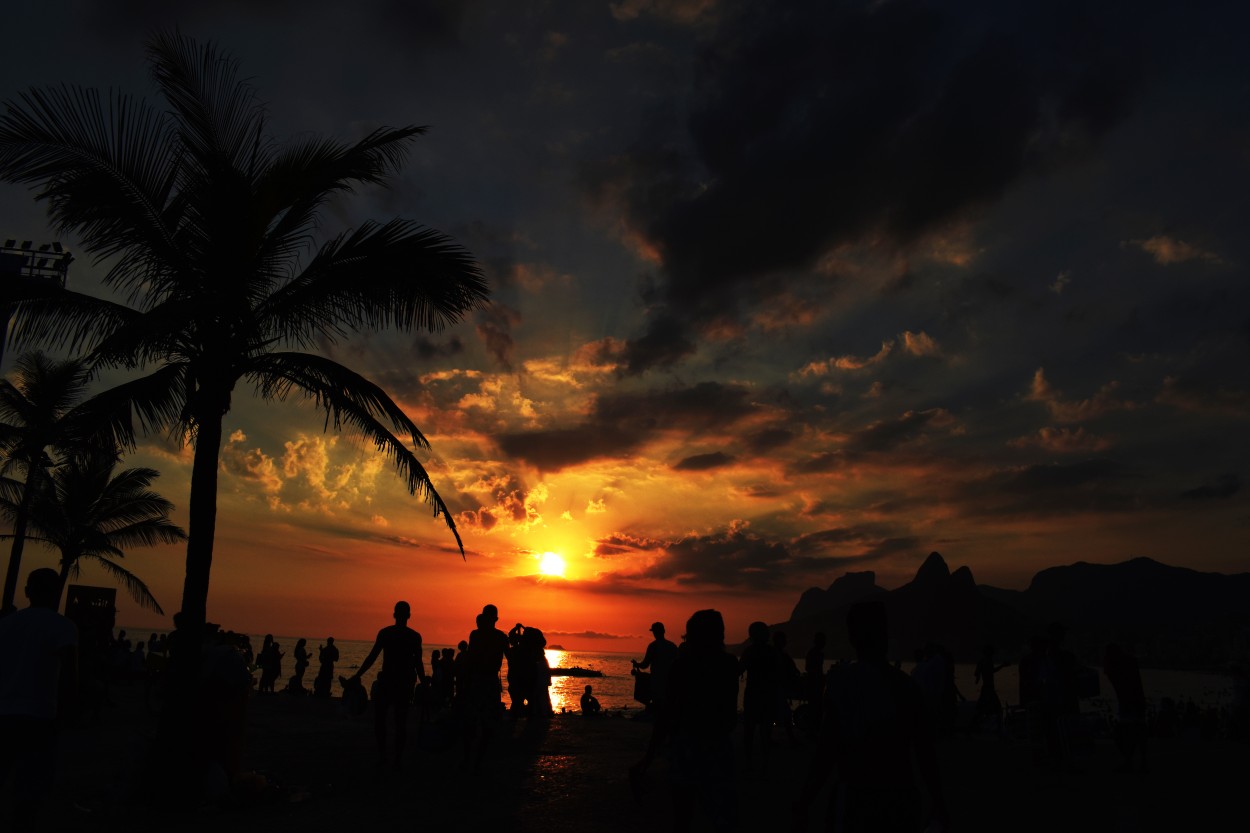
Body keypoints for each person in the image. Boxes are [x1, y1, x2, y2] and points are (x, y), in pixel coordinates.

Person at [792, 600, 947, 832]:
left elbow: (826, 751)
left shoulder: (841, 684)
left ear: (852, 638)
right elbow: (925, 752)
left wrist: (804, 801)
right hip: (899, 798)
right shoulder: (907, 687)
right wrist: (939, 802)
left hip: (856, 798)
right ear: (885, 634)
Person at [632, 609, 739, 832]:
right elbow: (729, 713)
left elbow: (669, 712)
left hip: (687, 743)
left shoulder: (683, 666)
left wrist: (654, 750)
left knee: (683, 811)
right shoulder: (728, 664)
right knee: (720, 813)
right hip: (719, 744)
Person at [0, 568, 79, 832]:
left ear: (27, 592)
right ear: (56, 592)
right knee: (31, 786)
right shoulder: (63, 626)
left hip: (4, 712)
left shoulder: (7, 624)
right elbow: (69, 672)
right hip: (40, 716)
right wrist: (67, 713)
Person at [352, 601, 426, 770]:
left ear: (394, 614)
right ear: (409, 615)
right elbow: (418, 664)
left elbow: (372, 657)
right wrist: (424, 683)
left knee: (382, 721)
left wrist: (358, 675)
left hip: (388, 682)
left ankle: (384, 757)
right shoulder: (414, 636)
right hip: (403, 683)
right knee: (400, 722)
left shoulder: (386, 633)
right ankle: (396, 759)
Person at [463, 604, 511, 771]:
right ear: (496, 619)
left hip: (477, 681)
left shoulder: (476, 635)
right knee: (486, 724)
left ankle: (470, 760)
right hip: (488, 682)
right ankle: (477, 762)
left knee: (473, 722)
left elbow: (470, 659)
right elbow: (510, 658)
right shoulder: (500, 637)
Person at [739, 620, 779, 776]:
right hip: (768, 695)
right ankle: (764, 766)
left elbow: (739, 669)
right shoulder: (772, 652)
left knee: (749, 731)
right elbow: (778, 673)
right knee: (765, 732)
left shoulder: (750, 651)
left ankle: (750, 765)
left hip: (753, 695)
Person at [1103, 643, 1148, 772]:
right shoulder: (1129, 662)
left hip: (1128, 703)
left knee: (1125, 733)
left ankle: (1130, 761)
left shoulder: (1119, 666)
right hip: (1137, 702)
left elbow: (1109, 672)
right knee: (1137, 731)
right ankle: (1141, 762)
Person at [632, 621, 679, 717]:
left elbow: (645, 665)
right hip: (670, 680)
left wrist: (636, 664)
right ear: (664, 631)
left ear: (654, 632)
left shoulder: (653, 646)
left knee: (657, 703)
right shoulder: (672, 646)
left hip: (657, 680)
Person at [968, 643, 1010, 735]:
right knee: (997, 709)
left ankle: (971, 728)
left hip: (986, 688)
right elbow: (991, 671)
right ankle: (1000, 731)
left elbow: (977, 673)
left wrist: (978, 676)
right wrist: (1002, 666)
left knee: (982, 710)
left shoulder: (982, 661)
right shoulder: (987, 661)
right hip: (989, 689)